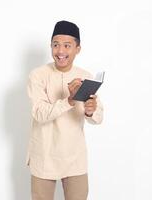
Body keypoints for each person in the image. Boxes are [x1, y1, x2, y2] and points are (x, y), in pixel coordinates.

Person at [26, 20, 103, 200]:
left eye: (67, 45)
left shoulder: (85, 77)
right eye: (56, 45)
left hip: (74, 158)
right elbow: (39, 113)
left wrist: (90, 111)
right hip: (44, 155)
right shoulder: (38, 75)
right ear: (51, 46)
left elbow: (98, 117)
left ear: (78, 48)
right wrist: (68, 100)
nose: (60, 51)